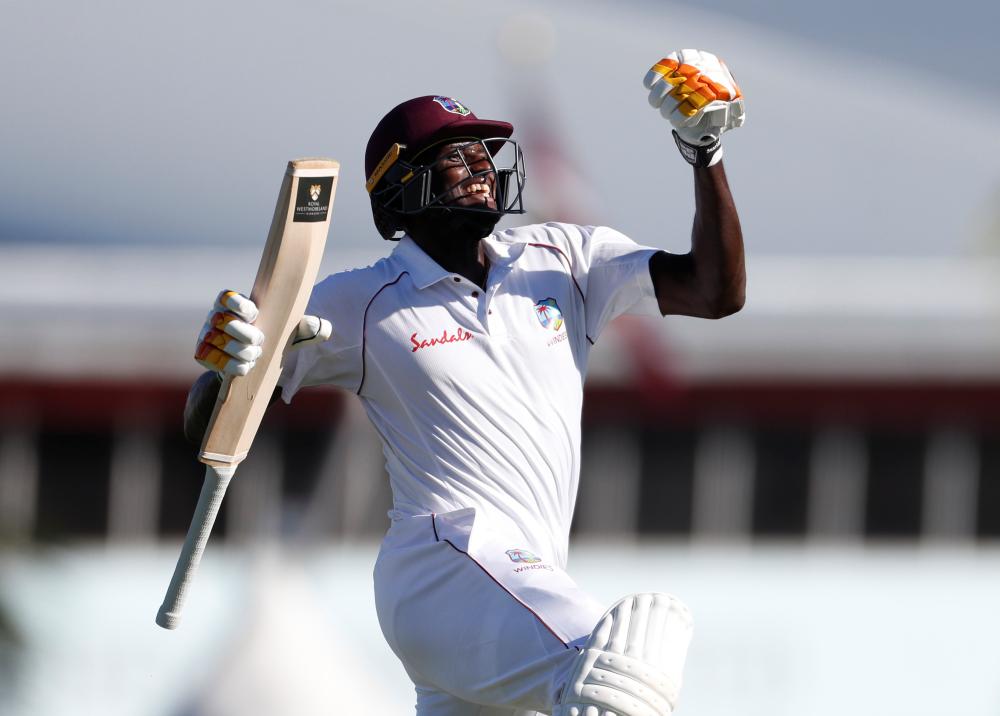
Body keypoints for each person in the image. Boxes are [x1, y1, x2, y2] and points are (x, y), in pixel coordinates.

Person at [186, 49, 746, 716]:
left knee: (623, 657)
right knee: (625, 667)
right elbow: (211, 427)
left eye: (483, 151)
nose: (480, 164)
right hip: (442, 561)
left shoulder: (563, 260)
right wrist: (228, 363)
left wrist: (705, 153)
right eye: (455, 154)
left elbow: (716, 293)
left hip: (517, 585)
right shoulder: (361, 300)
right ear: (402, 186)